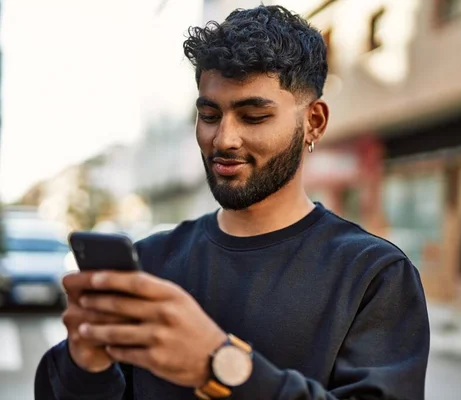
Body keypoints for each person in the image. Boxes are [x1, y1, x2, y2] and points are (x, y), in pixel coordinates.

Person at [34, 5, 429, 399]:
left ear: (314, 122)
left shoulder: (374, 276)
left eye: (253, 116)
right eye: (209, 114)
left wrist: (220, 365)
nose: (223, 139)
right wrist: (84, 363)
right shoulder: (149, 263)